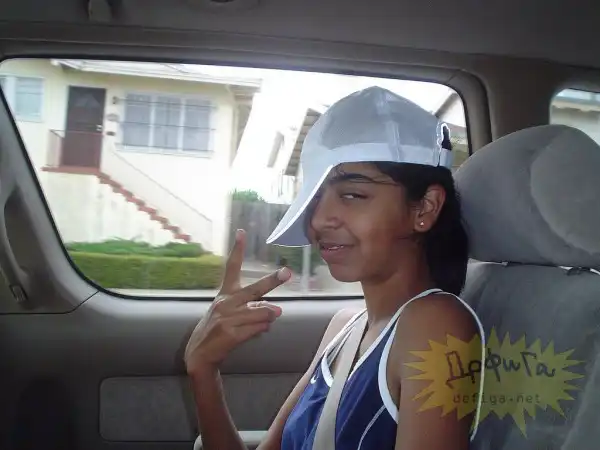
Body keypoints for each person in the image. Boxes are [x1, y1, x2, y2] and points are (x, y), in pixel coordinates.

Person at [184, 86, 485, 450]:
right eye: (315, 198)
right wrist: (203, 369)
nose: (319, 219)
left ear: (424, 208)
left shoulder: (435, 326)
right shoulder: (345, 327)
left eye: (352, 195)